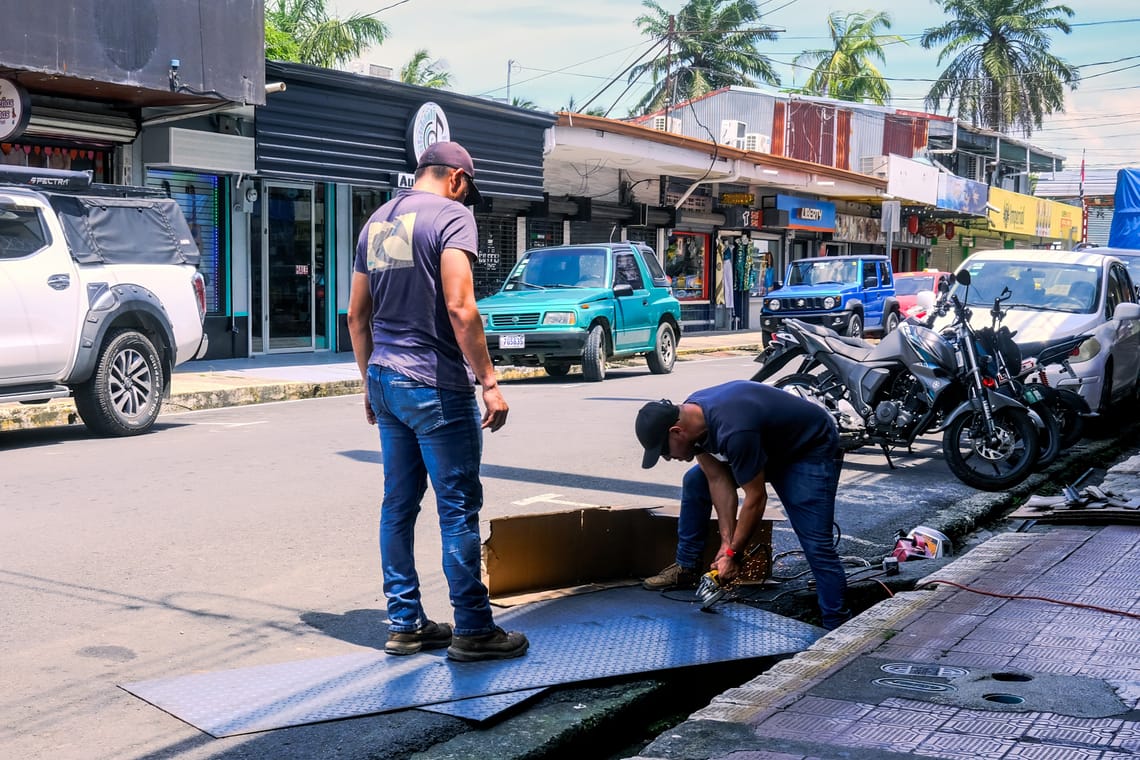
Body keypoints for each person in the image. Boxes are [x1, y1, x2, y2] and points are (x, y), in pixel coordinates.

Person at [348, 141, 528, 662]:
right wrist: (489, 381)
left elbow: (357, 317)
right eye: (468, 188)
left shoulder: (378, 222)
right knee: (457, 509)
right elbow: (460, 304)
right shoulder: (452, 218)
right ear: (455, 178)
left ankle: (405, 624)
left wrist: (369, 382)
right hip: (435, 384)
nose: (467, 199)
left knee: (397, 506)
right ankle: (473, 629)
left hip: (385, 379)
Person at [635, 380, 851, 630]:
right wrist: (727, 544)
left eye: (664, 451)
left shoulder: (734, 430)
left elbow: (756, 498)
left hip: (807, 449)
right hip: (765, 445)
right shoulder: (694, 421)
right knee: (696, 480)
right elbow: (717, 480)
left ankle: (836, 625)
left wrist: (734, 555)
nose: (668, 457)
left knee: (816, 543)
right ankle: (687, 566)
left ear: (676, 431)